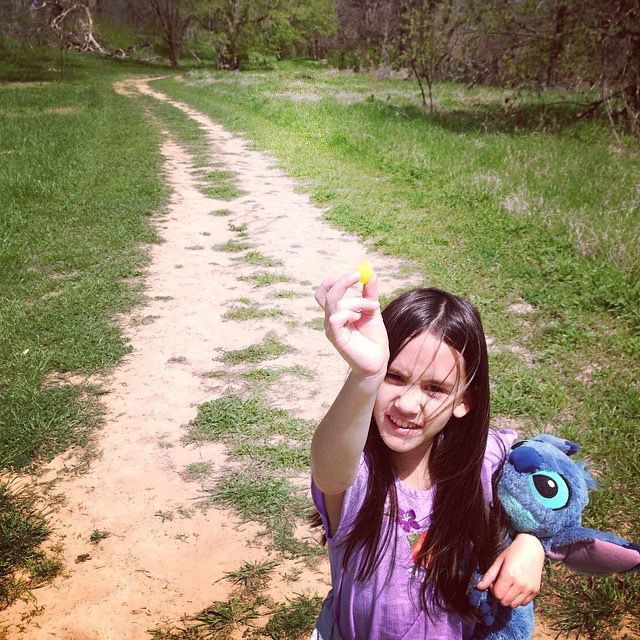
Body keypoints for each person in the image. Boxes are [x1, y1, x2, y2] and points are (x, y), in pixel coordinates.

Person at [310, 271, 545, 640]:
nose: (407, 404)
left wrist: (532, 544)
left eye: (435, 388)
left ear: (465, 401)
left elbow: (553, 496)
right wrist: (365, 377)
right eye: (394, 376)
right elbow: (328, 468)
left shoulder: (488, 462)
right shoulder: (359, 471)